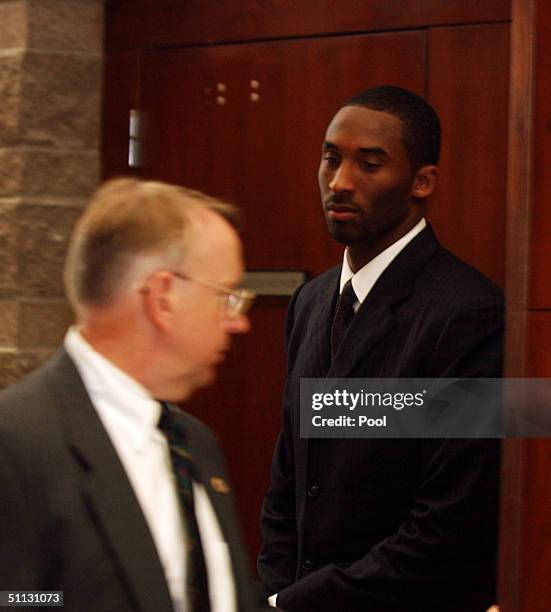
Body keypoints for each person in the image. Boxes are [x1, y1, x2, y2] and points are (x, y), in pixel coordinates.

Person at [258, 86, 503, 611]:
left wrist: (299, 603)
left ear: (422, 181)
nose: (340, 182)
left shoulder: (472, 313)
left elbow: (451, 524)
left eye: (369, 164)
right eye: (330, 159)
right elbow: (289, 475)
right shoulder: (311, 300)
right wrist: (275, 590)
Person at [0, 178, 265, 611]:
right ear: (163, 298)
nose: (239, 323)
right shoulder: (15, 445)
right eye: (227, 297)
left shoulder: (196, 446)